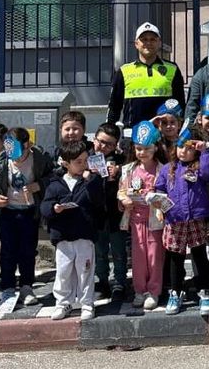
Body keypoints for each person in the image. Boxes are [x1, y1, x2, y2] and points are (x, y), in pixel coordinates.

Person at [0, 127, 53, 310]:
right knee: (8, 251)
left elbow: (53, 176)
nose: (13, 157)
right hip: (7, 212)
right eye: (10, 151)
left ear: (27, 145)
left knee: (28, 251)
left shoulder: (39, 159)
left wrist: (39, 185)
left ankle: (26, 287)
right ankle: (7, 287)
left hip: (30, 211)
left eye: (17, 152)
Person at [156, 127, 209, 316]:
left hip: (195, 219)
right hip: (174, 220)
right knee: (175, 258)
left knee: (200, 256)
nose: (184, 151)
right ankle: (175, 291)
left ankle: (205, 291)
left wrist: (205, 151)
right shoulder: (167, 169)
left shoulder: (199, 167)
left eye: (190, 148)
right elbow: (159, 189)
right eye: (181, 146)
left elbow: (208, 172)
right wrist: (158, 206)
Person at [41, 140, 104, 320]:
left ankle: (87, 303)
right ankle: (63, 303)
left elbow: (99, 202)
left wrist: (90, 181)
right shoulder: (55, 183)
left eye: (85, 160)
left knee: (85, 270)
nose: (83, 165)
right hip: (63, 236)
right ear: (66, 163)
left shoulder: (91, 180)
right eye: (78, 162)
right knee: (63, 272)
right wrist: (54, 208)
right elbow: (45, 206)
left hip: (84, 234)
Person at [118, 121, 166, 311]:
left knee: (154, 257)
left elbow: (168, 195)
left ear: (155, 148)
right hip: (136, 219)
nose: (142, 152)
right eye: (138, 149)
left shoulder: (163, 169)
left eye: (146, 149)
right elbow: (122, 191)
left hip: (155, 220)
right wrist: (124, 200)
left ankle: (154, 291)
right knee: (138, 258)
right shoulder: (129, 169)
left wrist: (157, 199)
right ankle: (139, 290)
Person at [106, 22, 186, 130]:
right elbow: (114, 107)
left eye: (153, 39)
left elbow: (180, 104)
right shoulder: (124, 71)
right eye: (144, 39)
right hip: (133, 133)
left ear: (159, 43)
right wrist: (109, 130)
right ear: (136, 44)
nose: (148, 43)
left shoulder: (172, 69)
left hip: (163, 133)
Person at [91, 123, 128, 301]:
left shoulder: (121, 160)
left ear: (115, 145)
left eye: (109, 144)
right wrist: (89, 174)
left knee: (119, 251)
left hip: (116, 213)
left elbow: (132, 179)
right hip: (96, 214)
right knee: (99, 251)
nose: (103, 147)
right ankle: (102, 282)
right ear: (94, 139)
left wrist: (119, 173)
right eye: (101, 141)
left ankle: (120, 282)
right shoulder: (86, 158)